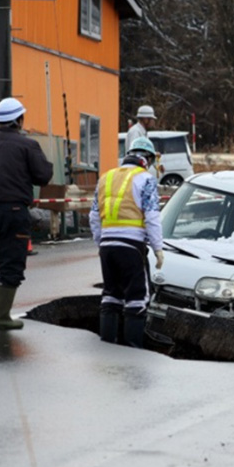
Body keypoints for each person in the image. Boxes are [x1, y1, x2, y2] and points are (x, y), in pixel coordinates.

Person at [0, 97, 54, 330]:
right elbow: (43, 176)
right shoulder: (27, 145)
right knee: (11, 262)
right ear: (18, 120)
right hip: (14, 211)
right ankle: (1, 317)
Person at [89, 136, 164, 348]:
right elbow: (151, 216)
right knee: (137, 297)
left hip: (107, 245)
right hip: (132, 245)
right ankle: (132, 349)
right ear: (146, 159)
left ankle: (108, 344)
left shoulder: (106, 177)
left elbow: (94, 216)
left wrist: (100, 242)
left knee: (111, 295)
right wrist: (158, 248)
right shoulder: (145, 179)